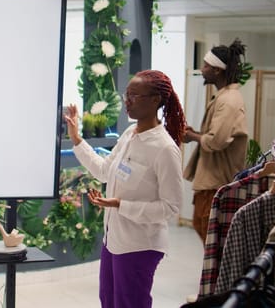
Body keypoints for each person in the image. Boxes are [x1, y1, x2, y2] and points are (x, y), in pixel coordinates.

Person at [64, 70, 186, 308]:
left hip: (140, 245)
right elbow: (103, 171)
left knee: (130, 304)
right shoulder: (130, 134)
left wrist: (121, 205)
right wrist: (76, 138)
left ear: (155, 100)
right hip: (114, 241)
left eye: (134, 96)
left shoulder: (164, 149)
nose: (127, 102)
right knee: (108, 301)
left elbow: (171, 207)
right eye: (126, 95)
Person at [182, 38, 248, 244]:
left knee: (213, 238)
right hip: (213, 182)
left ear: (217, 70)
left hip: (217, 184)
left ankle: (219, 277)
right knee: (206, 232)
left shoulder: (228, 101)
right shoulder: (224, 97)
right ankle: (216, 277)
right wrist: (196, 134)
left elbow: (216, 141)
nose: (202, 69)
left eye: (205, 65)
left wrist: (192, 136)